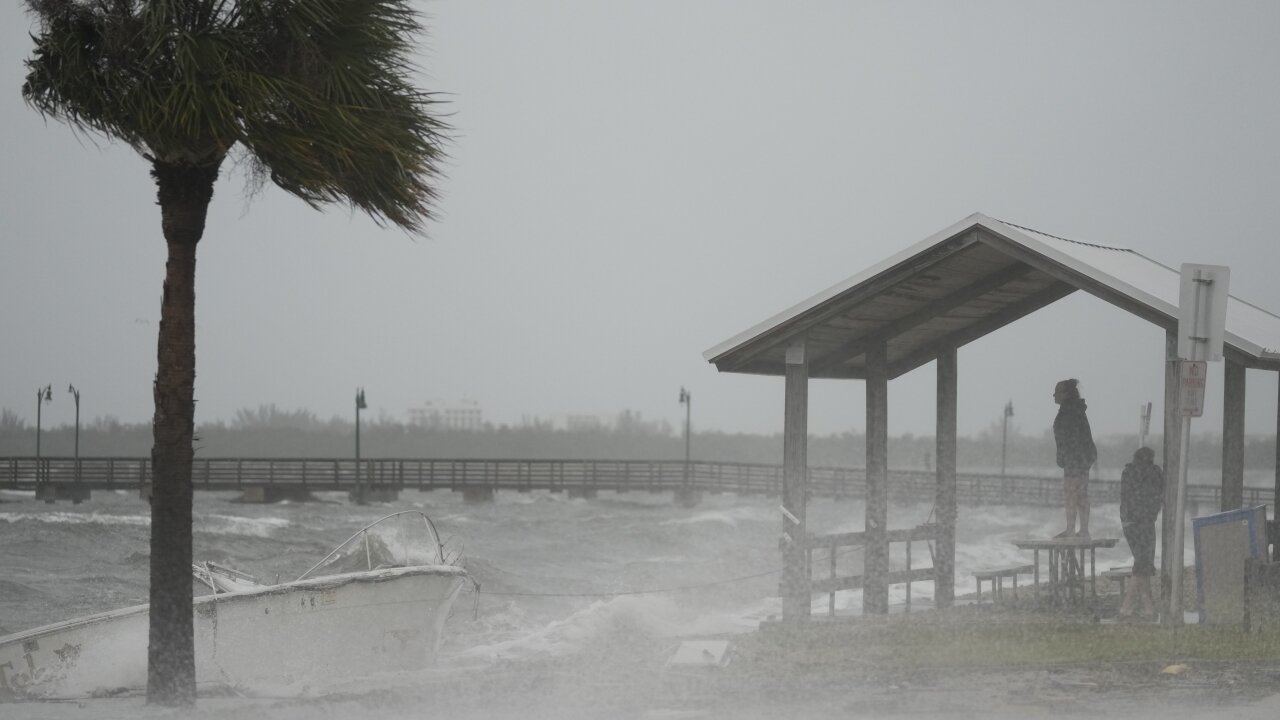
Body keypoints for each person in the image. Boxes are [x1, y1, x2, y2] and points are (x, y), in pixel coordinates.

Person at [1118, 446, 1164, 619]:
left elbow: (1127, 496)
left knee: (1142, 562)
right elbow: (1159, 492)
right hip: (1144, 522)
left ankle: (1148, 607)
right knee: (1143, 563)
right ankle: (1126, 607)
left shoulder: (1128, 472)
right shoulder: (1154, 473)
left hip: (1129, 522)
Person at [1052, 378, 1096, 538]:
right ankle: (1081, 529)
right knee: (1080, 493)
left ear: (1065, 394)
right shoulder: (1074, 409)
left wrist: (1065, 457)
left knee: (1072, 493)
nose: (1053, 395)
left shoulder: (1070, 411)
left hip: (1075, 459)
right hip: (1080, 458)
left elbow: (1069, 438)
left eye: (1056, 392)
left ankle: (1074, 529)